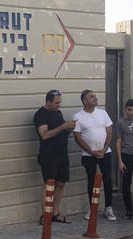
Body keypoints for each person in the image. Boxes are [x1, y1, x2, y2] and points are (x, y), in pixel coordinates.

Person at [33, 89, 77, 223]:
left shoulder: (58, 113)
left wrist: (69, 128)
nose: (59, 105)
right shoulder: (41, 115)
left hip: (62, 152)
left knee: (61, 183)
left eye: (60, 102)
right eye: (57, 103)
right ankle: (45, 215)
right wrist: (63, 126)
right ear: (48, 102)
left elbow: (61, 132)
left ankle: (55, 213)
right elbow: (45, 135)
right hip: (49, 154)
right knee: (49, 183)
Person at [73, 89, 116, 220]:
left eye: (95, 96)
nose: (95, 98)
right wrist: (90, 151)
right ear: (84, 101)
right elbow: (77, 137)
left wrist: (104, 148)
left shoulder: (103, 113)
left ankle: (108, 208)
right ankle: (93, 209)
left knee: (107, 179)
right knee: (91, 181)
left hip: (105, 153)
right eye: (92, 97)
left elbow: (109, 132)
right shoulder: (78, 116)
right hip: (88, 155)